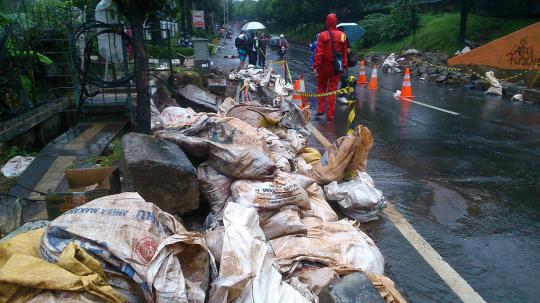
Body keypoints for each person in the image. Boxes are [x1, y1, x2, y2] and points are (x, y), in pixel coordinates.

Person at [312, 13, 348, 121]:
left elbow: (319, 52)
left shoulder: (322, 35)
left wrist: (315, 66)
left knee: (321, 88)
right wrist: (344, 66)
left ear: (327, 22)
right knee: (332, 90)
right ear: (336, 22)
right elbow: (344, 53)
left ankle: (320, 109)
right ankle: (330, 115)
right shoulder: (342, 35)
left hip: (324, 66)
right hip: (336, 67)